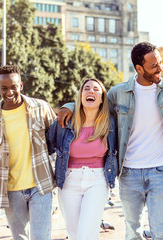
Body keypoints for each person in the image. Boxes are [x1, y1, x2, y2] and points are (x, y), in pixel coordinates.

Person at [57, 42, 163, 240]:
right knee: (132, 232)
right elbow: (91, 104)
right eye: (154, 65)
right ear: (139, 68)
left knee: (161, 234)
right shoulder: (118, 93)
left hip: (161, 171)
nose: (160, 68)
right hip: (129, 172)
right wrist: (69, 106)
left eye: (160, 62)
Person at [0, 65, 56, 240]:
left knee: (41, 237)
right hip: (10, 191)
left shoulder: (40, 108)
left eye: (13, 87)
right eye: (4, 88)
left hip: (40, 185)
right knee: (19, 237)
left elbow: (59, 136)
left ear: (21, 85)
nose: (9, 92)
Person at [46, 78, 117, 240]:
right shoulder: (65, 122)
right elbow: (47, 145)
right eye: (86, 88)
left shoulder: (110, 123)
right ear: (80, 95)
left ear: (102, 98)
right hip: (68, 180)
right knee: (74, 233)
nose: (90, 91)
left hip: (97, 180)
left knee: (87, 233)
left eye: (95, 89)